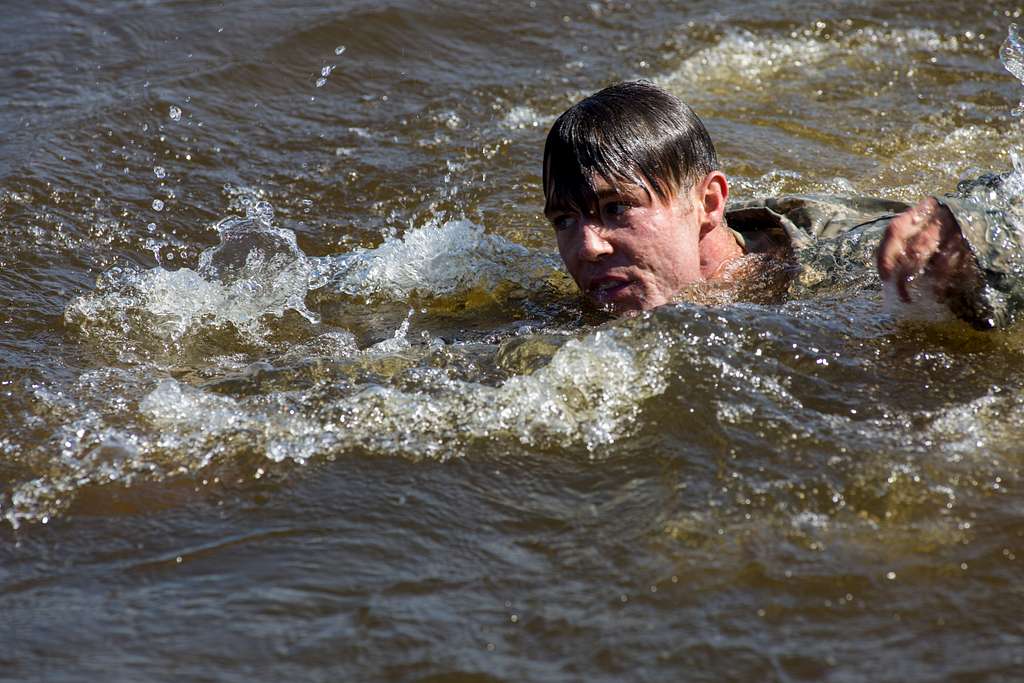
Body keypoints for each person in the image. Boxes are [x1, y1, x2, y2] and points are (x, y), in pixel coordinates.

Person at [543, 80, 1020, 329]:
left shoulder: (847, 263)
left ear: (708, 204)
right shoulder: (590, 300)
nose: (587, 248)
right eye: (565, 219)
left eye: (615, 210)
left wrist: (966, 258)